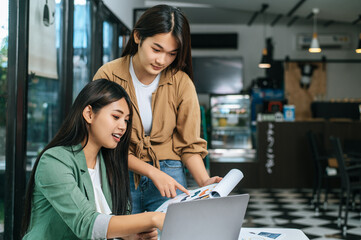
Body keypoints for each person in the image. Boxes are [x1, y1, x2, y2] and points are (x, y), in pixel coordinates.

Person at [93, 4, 222, 214]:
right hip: (121, 171)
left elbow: (189, 145)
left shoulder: (181, 82)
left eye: (172, 54)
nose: (162, 60)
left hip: (170, 173)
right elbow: (103, 141)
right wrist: (152, 172)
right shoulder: (108, 75)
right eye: (156, 49)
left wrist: (205, 181)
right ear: (137, 37)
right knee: (125, 234)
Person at [21, 79, 164, 240]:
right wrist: (153, 218)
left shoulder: (110, 164)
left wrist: (131, 235)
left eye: (126, 120)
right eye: (116, 116)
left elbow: (115, 221)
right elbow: (86, 224)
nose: (123, 126)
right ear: (89, 114)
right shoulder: (54, 161)